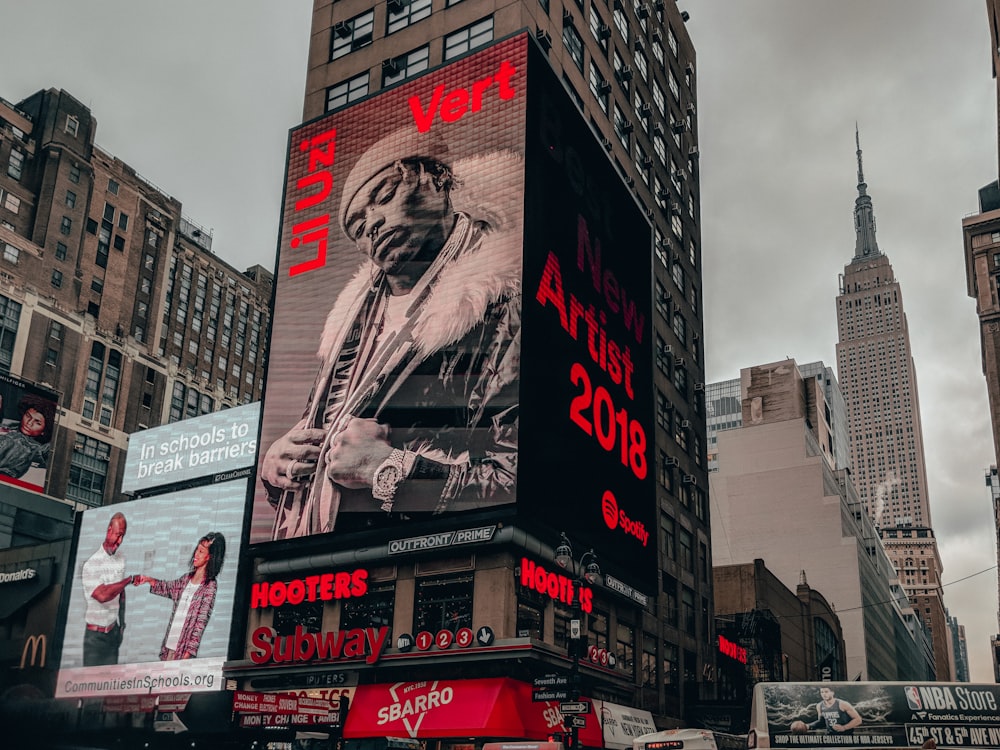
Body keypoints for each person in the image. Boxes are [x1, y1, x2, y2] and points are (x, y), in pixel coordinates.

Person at [261, 128, 522, 540]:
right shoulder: (349, 330)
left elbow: (516, 481)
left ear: (438, 179)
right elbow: (336, 461)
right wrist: (278, 466)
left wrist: (389, 470)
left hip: (434, 569)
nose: (374, 224)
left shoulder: (504, 298)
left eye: (384, 197)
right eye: (358, 226)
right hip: (329, 567)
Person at [135, 532, 226, 660]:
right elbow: (168, 588)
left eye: (201, 551)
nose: (196, 554)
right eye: (197, 549)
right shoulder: (186, 579)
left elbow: (200, 622)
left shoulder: (209, 586)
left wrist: (188, 654)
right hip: (168, 649)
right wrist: (149, 580)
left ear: (209, 557)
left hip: (183, 653)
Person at [81, 512, 134, 666]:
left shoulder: (121, 560)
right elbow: (103, 595)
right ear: (109, 531)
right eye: (118, 535)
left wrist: (122, 624)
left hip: (113, 632)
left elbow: (120, 593)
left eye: (123, 536)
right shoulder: (92, 564)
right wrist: (127, 581)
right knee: (90, 685)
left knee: (108, 686)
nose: (120, 541)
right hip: (95, 638)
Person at [0, 394, 55, 479]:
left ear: (44, 431)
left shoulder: (29, 448)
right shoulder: (8, 424)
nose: (29, 423)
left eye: (37, 422)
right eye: (28, 416)